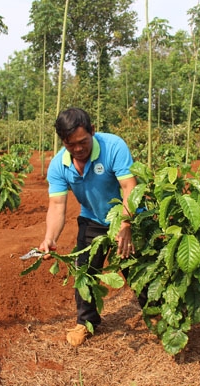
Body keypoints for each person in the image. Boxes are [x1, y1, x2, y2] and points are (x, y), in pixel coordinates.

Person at [37, 107, 146, 347]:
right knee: (83, 271)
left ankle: (155, 313)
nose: (77, 149)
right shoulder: (58, 165)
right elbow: (56, 206)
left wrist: (126, 222)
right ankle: (86, 322)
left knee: (136, 269)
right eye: (70, 144)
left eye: (82, 141)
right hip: (93, 217)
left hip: (127, 215)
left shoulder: (113, 147)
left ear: (93, 132)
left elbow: (129, 187)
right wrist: (50, 238)